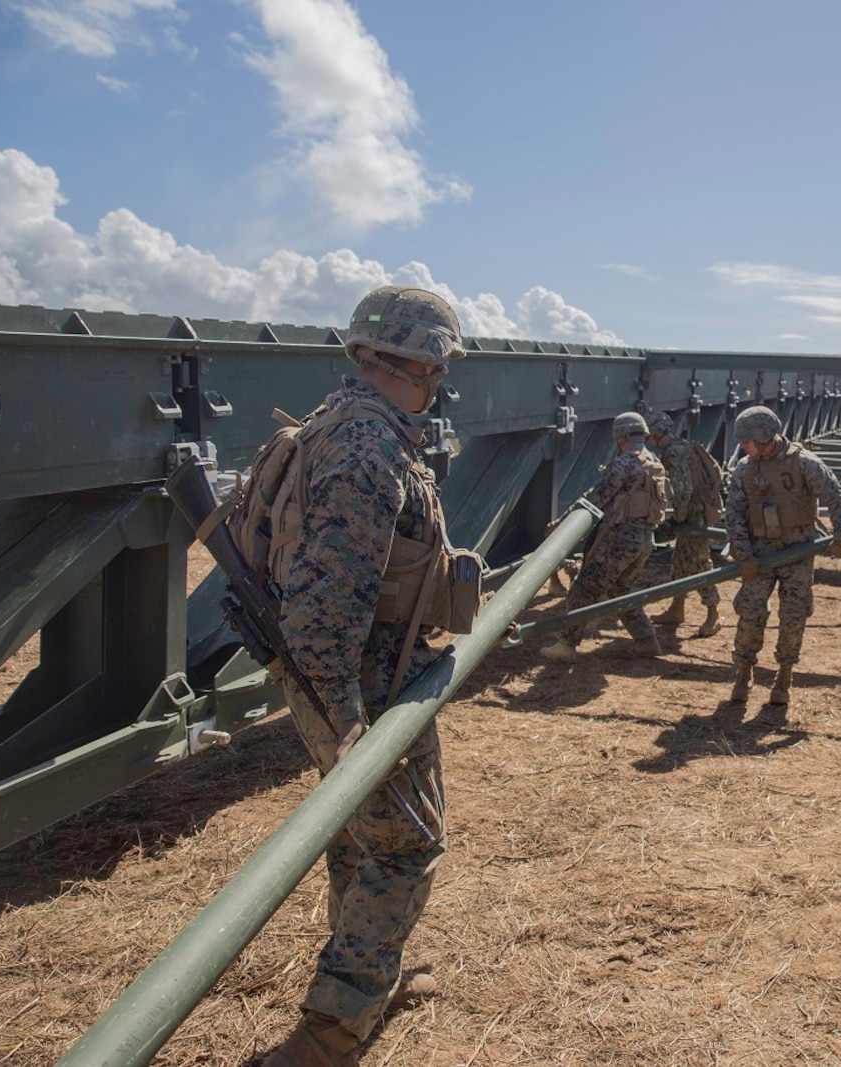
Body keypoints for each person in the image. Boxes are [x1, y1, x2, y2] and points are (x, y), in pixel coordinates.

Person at [264, 286, 472, 1067]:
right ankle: (330, 1029)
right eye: (439, 366)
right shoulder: (369, 450)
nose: (440, 380)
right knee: (404, 847)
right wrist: (352, 728)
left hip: (361, 676)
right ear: (423, 359)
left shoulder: (342, 426)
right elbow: (322, 616)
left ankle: (362, 982)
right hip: (366, 684)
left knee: (361, 841)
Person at [724, 405, 841, 707]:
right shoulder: (744, 468)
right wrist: (743, 555)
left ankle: (784, 675)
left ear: (764, 436)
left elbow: (835, 496)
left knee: (793, 616)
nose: (742, 447)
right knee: (750, 614)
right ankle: (743, 673)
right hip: (759, 553)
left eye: (746, 441)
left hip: (798, 552)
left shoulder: (804, 463)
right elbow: (734, 515)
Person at [538, 412, 670, 663]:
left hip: (619, 540)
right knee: (620, 589)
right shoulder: (654, 463)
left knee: (584, 588)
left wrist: (563, 522)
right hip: (643, 541)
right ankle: (646, 640)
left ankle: (567, 644)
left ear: (620, 436)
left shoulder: (624, 464)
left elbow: (596, 499)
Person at [646, 410, 724, 638]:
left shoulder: (674, 453)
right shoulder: (683, 446)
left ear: (655, 434)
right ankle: (676, 609)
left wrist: (675, 519)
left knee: (699, 564)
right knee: (680, 562)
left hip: (694, 517)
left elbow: (683, 489)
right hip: (695, 513)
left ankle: (714, 614)